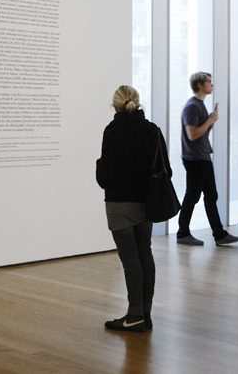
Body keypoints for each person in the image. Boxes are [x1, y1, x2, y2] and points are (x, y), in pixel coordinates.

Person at [96, 85, 163, 333]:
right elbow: (164, 168)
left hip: (120, 203)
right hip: (147, 202)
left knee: (130, 258)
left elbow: (104, 177)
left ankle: (134, 315)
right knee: (145, 253)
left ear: (115, 105)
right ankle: (145, 314)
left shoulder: (112, 131)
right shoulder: (152, 130)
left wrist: (99, 165)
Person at [176, 72, 238, 246]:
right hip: (195, 158)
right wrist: (209, 120)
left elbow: (200, 133)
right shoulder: (192, 106)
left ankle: (219, 234)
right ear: (200, 85)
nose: (212, 85)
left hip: (201, 156)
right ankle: (183, 233)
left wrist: (210, 122)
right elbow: (192, 134)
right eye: (209, 82)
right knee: (193, 195)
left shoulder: (199, 105)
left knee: (210, 195)